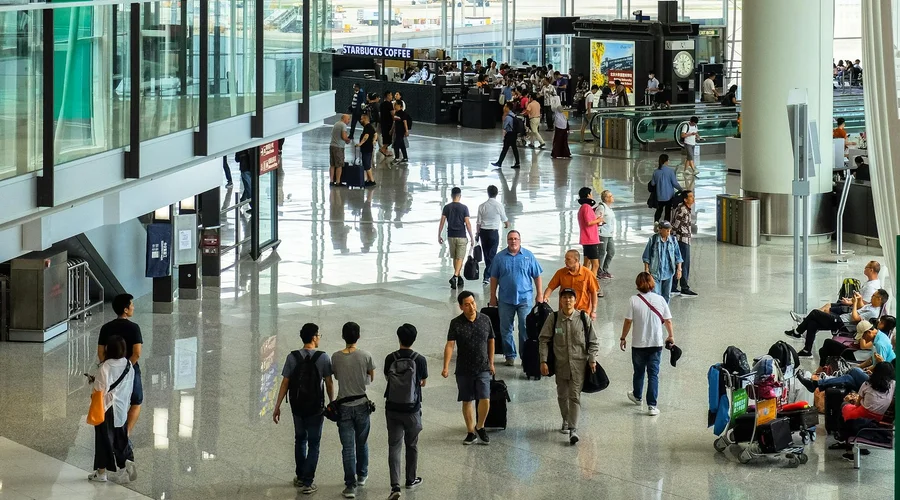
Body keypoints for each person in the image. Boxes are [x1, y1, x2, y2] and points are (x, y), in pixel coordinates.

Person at [272, 323, 335, 495]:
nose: (319, 338)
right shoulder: (323, 358)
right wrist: (332, 403)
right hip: (315, 408)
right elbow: (329, 383)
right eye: (319, 335)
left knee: (300, 439)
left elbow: (285, 382)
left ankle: (300, 477)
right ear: (314, 337)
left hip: (297, 407)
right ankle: (308, 482)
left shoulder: (292, 357)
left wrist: (277, 406)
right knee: (314, 444)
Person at [539, 288, 599, 444]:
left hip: (579, 365)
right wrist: (543, 361)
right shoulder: (554, 318)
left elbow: (593, 341)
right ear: (560, 300)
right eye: (564, 297)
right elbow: (544, 340)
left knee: (574, 396)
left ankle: (573, 429)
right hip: (560, 365)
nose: (567, 300)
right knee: (562, 395)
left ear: (575, 300)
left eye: (570, 298)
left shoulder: (584, 318)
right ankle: (565, 419)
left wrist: (592, 359)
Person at [441, 291, 496, 445]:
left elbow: (491, 340)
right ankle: (470, 431)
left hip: (483, 366)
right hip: (464, 369)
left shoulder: (485, 319)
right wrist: (445, 366)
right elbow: (450, 345)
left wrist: (491, 362)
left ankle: (480, 426)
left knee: (485, 398)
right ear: (461, 307)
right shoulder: (456, 323)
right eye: (467, 304)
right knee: (467, 400)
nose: (471, 307)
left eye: (473, 303)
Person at [620, 272, 675, 417]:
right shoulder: (660, 299)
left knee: (638, 372)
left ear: (637, 284)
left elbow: (628, 321)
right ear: (652, 284)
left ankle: (637, 396)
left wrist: (623, 337)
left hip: (638, 343)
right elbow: (668, 320)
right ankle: (652, 406)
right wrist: (670, 335)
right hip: (656, 343)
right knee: (653, 374)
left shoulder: (633, 300)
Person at [331, 322, 376, 499]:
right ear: (358, 336)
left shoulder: (335, 357)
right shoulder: (366, 355)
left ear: (343, 336)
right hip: (362, 405)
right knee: (362, 442)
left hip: (344, 407)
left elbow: (335, 376)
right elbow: (371, 377)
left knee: (347, 447)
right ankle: (362, 474)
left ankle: (350, 486)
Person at [384, 324, 427, 499]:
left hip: (393, 408)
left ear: (399, 338)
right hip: (412, 409)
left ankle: (395, 486)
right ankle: (411, 479)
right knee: (412, 444)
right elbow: (423, 382)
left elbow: (388, 378)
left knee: (394, 446)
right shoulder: (420, 359)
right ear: (414, 339)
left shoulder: (390, 358)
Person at [489, 230, 544, 366]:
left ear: (520, 240)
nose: (513, 241)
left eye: (515, 239)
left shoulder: (528, 256)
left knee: (525, 327)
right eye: (510, 239)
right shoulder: (499, 257)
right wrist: (492, 296)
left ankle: (525, 356)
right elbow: (494, 277)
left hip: (524, 299)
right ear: (507, 241)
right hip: (505, 299)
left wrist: (540, 294)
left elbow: (537, 275)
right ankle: (509, 355)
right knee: (505, 328)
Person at [87, 335, 135, 483]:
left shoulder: (106, 366)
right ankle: (125, 464)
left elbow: (99, 390)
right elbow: (128, 386)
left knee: (103, 439)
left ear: (109, 349)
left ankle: (101, 473)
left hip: (106, 408)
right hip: (121, 407)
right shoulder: (128, 365)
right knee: (120, 436)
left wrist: (92, 383)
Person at [785, 289, 889, 357]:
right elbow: (861, 308)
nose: (871, 296)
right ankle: (807, 351)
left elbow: (855, 318)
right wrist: (858, 300)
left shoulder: (873, 312)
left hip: (843, 323)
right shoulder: (872, 306)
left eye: (874, 295)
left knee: (815, 313)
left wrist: (855, 303)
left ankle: (798, 332)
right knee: (813, 323)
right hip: (841, 319)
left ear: (879, 299)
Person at [97, 294, 143, 438]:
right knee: (136, 401)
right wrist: (127, 368)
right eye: (131, 305)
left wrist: (109, 366)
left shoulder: (106, 328)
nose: (133, 307)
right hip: (131, 369)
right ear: (125, 309)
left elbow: (100, 353)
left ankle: (110, 434)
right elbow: (136, 353)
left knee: (109, 402)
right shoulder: (134, 328)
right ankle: (125, 434)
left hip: (109, 371)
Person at [542, 249, 599, 319]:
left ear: (576, 260)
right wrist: (546, 297)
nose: (565, 261)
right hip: (564, 313)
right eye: (565, 259)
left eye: (568, 259)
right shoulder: (560, 273)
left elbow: (594, 292)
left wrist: (593, 311)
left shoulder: (588, 274)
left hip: (582, 313)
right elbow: (550, 287)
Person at [438, 187, 475, 289]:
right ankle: (455, 276)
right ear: (460, 196)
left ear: (451, 196)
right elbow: (467, 223)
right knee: (460, 258)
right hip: (461, 236)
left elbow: (442, 222)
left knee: (455, 258)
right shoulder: (464, 208)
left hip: (451, 236)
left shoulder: (447, 207)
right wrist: (472, 237)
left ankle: (459, 278)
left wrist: (439, 234)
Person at [641, 221, 683, 303]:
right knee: (655, 295)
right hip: (655, 273)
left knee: (666, 295)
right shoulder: (653, 240)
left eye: (669, 230)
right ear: (660, 230)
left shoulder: (673, 240)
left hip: (669, 272)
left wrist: (679, 269)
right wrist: (646, 270)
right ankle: (656, 313)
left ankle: (664, 314)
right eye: (666, 230)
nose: (668, 232)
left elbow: (678, 256)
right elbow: (646, 256)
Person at [476, 185, 510, 285]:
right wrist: (507, 225)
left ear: (488, 193)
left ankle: (489, 274)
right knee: (492, 255)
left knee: (487, 255)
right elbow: (505, 220)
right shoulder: (499, 206)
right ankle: (487, 276)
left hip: (483, 232)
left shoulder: (482, 206)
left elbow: (478, 222)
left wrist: (477, 233)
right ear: (496, 193)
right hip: (493, 232)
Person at [669, 190, 697, 297]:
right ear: (685, 199)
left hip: (684, 240)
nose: (693, 198)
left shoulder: (684, 208)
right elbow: (675, 226)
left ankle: (674, 287)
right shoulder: (682, 210)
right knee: (684, 264)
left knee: (680, 264)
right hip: (682, 241)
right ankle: (684, 287)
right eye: (690, 196)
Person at [576, 187, 603, 287]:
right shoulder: (587, 207)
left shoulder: (583, 207)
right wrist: (599, 220)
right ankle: (592, 286)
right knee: (595, 265)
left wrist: (597, 221)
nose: (592, 195)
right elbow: (589, 222)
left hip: (586, 239)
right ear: (588, 195)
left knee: (586, 264)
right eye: (591, 194)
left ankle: (582, 282)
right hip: (590, 239)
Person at [651, 154, 683, 224]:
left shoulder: (655, 172)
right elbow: (675, 183)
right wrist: (681, 189)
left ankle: (656, 222)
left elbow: (653, 183)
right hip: (669, 196)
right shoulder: (670, 171)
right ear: (666, 161)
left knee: (659, 210)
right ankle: (666, 224)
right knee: (667, 211)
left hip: (659, 196)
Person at [491, 103, 521, 169]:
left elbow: (504, 127)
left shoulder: (508, 117)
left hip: (509, 134)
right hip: (514, 134)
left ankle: (499, 162)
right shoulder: (513, 115)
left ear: (507, 107)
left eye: (505, 106)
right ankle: (517, 163)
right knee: (514, 149)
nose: (504, 107)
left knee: (505, 149)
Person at [595, 190, 616, 280]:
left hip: (609, 234)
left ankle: (605, 269)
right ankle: (599, 271)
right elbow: (596, 219)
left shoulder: (609, 208)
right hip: (602, 233)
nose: (613, 197)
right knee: (602, 252)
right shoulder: (601, 207)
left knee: (611, 252)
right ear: (606, 198)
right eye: (611, 196)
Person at [355, 113, 378, 187]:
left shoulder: (367, 127)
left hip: (366, 149)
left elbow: (366, 136)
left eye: (362, 119)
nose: (360, 120)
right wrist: (374, 140)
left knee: (367, 165)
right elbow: (375, 134)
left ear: (365, 119)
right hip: (369, 148)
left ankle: (372, 180)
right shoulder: (370, 127)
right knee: (367, 164)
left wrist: (360, 144)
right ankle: (368, 180)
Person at [330, 114, 352, 186]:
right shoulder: (343, 125)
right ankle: (338, 181)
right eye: (348, 119)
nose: (349, 121)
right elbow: (344, 136)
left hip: (332, 145)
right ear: (344, 119)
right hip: (339, 147)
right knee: (339, 165)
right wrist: (348, 140)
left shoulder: (336, 124)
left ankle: (331, 181)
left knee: (332, 164)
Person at [235, 147, 254, 212]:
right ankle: (241, 203)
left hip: (244, 169)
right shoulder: (252, 147)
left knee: (248, 189)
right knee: (247, 187)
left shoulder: (240, 148)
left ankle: (253, 207)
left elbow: (237, 159)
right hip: (252, 169)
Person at [379, 91, 395, 157]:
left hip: (383, 123)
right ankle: (383, 148)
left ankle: (385, 150)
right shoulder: (389, 104)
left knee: (385, 137)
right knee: (389, 138)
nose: (392, 96)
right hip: (389, 123)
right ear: (388, 95)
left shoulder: (381, 104)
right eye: (391, 95)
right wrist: (395, 120)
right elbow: (392, 114)